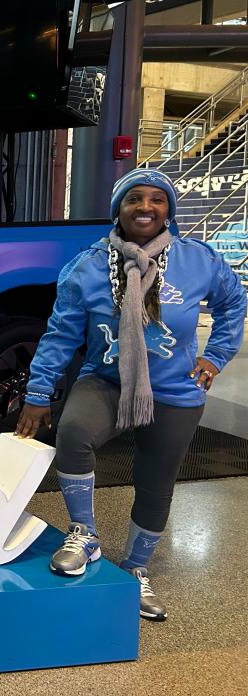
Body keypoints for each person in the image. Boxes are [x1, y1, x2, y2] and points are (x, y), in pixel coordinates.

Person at [15, 168, 246, 622]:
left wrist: (215, 356)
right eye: (134, 199)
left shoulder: (198, 261)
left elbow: (233, 302)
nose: (145, 208)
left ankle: (137, 568)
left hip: (175, 391)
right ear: (118, 209)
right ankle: (85, 533)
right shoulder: (87, 266)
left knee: (155, 482)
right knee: (74, 433)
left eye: (156, 200)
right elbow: (60, 334)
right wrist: (38, 392)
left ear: (169, 210)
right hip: (106, 381)